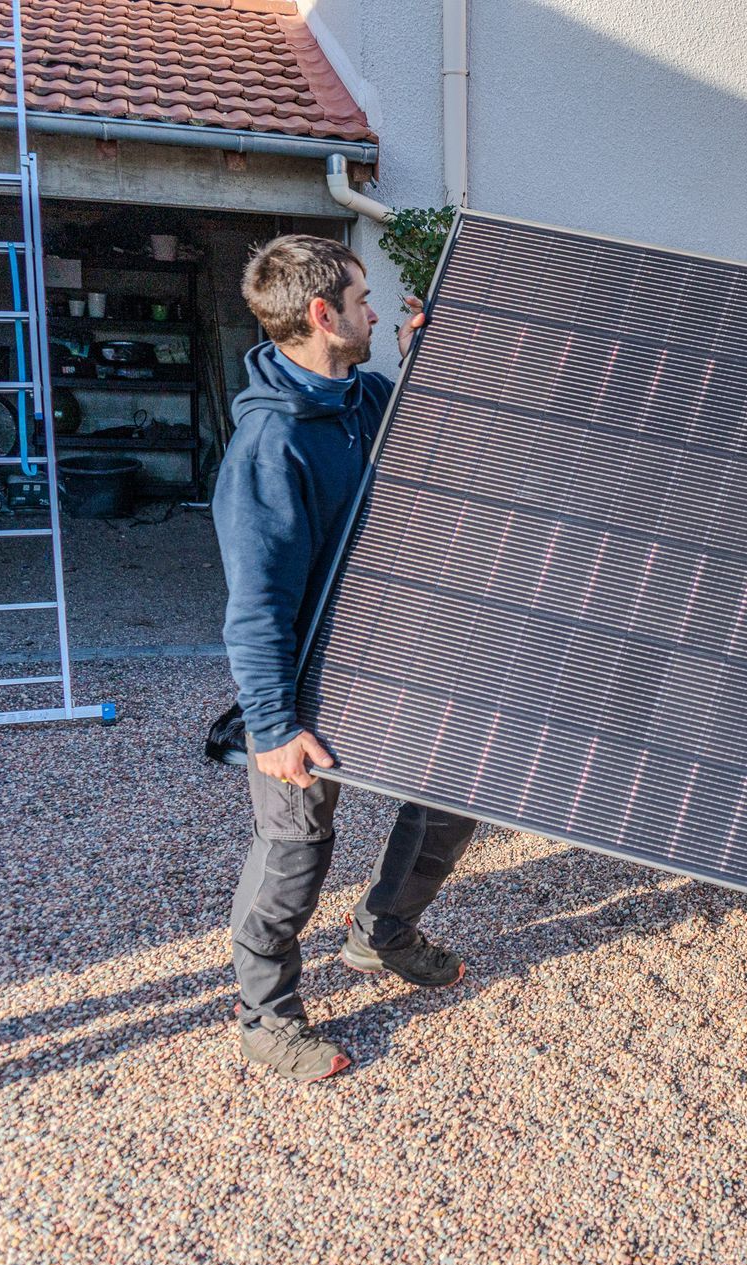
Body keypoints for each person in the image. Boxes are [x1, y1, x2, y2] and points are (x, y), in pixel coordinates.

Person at [215, 235, 479, 1083]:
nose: (375, 310)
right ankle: (266, 1015)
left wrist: (427, 357)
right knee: (295, 848)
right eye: (364, 301)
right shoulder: (270, 445)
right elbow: (254, 604)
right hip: (303, 677)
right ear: (323, 315)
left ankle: (383, 932)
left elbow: (419, 445)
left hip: (388, 650)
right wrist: (272, 725)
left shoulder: (358, 397)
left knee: (451, 800)